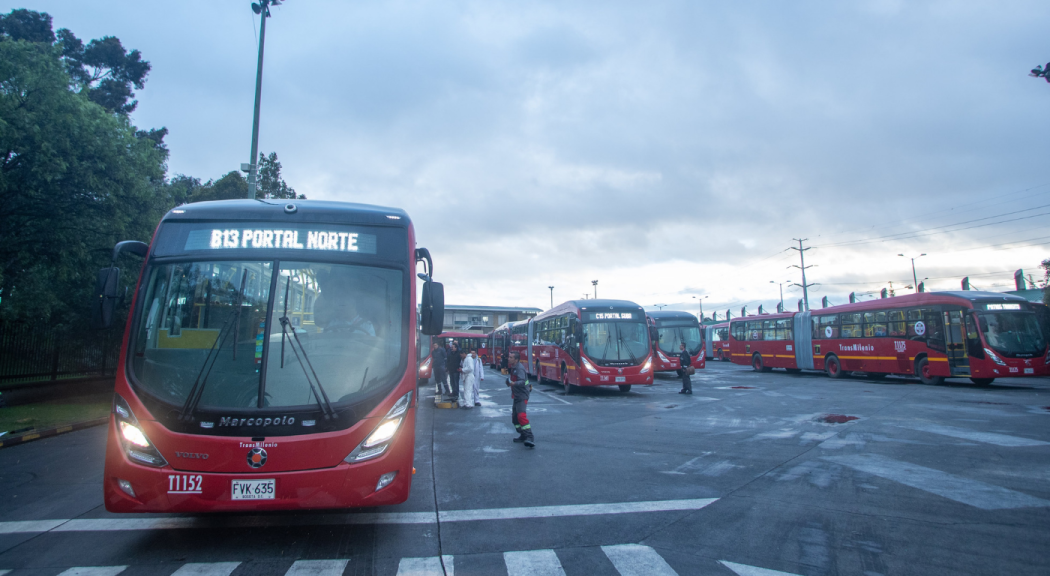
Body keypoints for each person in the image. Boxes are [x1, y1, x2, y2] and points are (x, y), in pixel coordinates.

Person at [506, 351, 534, 447]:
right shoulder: (513, 367)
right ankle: (523, 435)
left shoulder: (519, 369)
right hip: (517, 395)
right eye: (509, 357)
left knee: (521, 416)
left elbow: (522, 381)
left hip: (522, 396)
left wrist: (513, 383)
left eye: (510, 357)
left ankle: (529, 437)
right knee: (515, 418)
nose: (508, 358)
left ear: (516, 360)